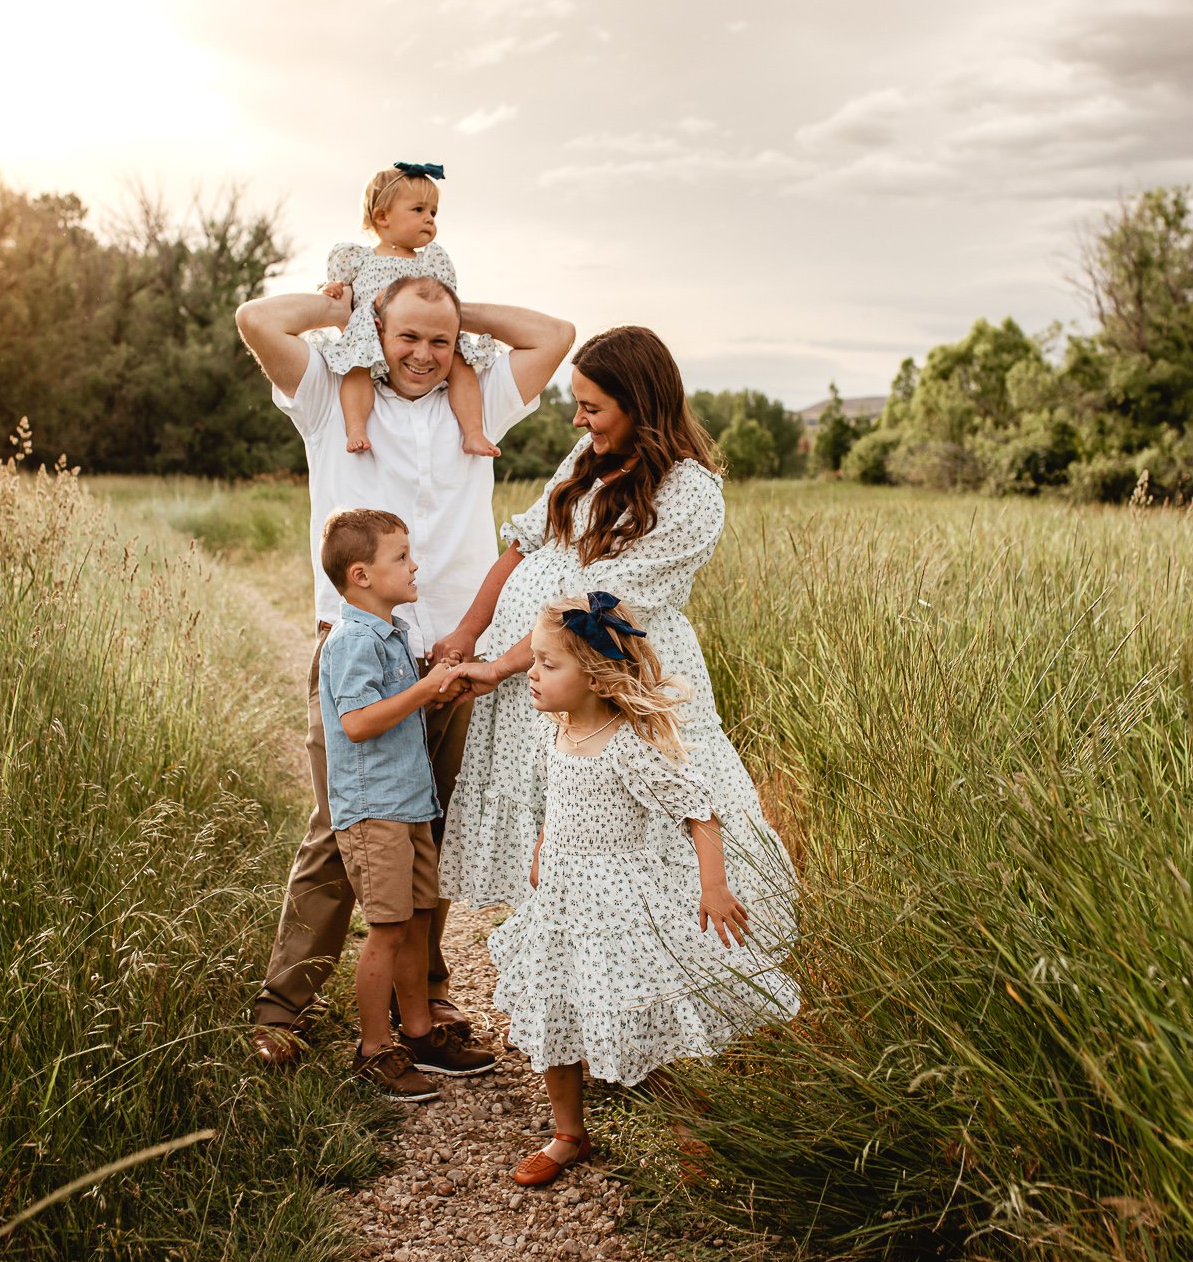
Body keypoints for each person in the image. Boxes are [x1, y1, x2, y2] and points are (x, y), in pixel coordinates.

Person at [236, 272, 575, 1067]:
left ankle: (425, 996)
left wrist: (455, 310)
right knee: (342, 830)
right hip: (360, 646)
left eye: (440, 341)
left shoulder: (478, 399)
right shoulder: (332, 396)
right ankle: (283, 1006)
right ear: (376, 337)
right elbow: (256, 318)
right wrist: (352, 308)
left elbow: (555, 334)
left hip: (453, 650)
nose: (424, 355)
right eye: (407, 338)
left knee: (430, 825)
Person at [435, 326, 797, 942]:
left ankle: (659, 984)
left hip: (606, 678)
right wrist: (470, 635)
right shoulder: (588, 459)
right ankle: (563, 983)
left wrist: (501, 668)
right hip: (539, 672)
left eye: (593, 407)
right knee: (555, 824)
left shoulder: (691, 494)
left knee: (630, 824)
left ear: (642, 406)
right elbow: (522, 544)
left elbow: (592, 611)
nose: (578, 421)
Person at [488, 594, 799, 1185]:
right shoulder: (552, 732)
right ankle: (568, 1134)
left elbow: (699, 810)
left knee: (637, 1010)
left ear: (597, 677)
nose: (531, 673)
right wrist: (541, 850)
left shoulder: (628, 745)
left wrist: (714, 887)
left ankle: (690, 1126)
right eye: (534, 659)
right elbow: (553, 807)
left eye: (548, 664)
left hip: (618, 902)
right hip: (559, 900)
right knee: (555, 1008)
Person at [313, 508, 498, 1100]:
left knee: (418, 921)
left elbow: (398, 711)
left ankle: (418, 1031)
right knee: (388, 928)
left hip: (411, 804)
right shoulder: (350, 641)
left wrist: (437, 686)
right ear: (361, 575)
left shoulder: (393, 634)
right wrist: (423, 690)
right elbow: (359, 723)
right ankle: (373, 1050)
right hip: (375, 811)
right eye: (401, 557)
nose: (414, 564)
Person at [317, 162, 501, 457]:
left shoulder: (429, 261)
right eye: (418, 210)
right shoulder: (358, 257)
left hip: (420, 335)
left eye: (433, 212)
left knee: (460, 367)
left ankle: (473, 432)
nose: (429, 218)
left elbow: (444, 302)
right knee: (357, 370)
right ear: (382, 216)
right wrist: (332, 290)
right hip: (370, 332)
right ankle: (356, 428)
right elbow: (339, 290)